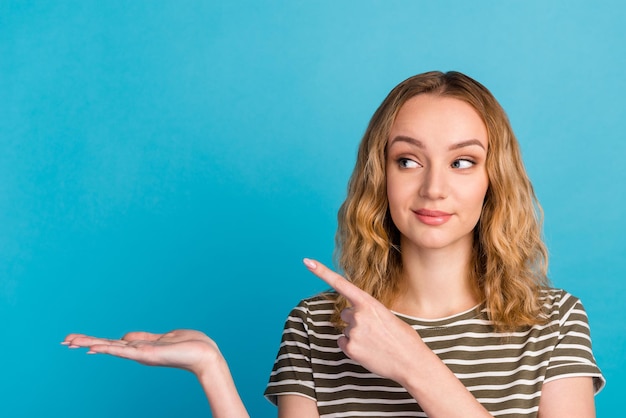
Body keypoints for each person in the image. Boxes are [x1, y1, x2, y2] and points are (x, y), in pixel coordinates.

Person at [64, 71, 604, 418]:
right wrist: (212, 371)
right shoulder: (315, 327)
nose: (434, 187)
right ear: (381, 177)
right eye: (408, 160)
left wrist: (415, 364)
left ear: (493, 180)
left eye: (463, 161)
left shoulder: (554, 323)